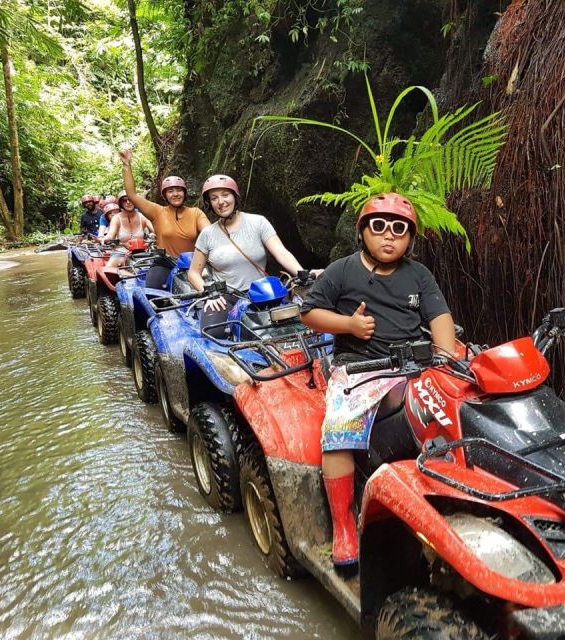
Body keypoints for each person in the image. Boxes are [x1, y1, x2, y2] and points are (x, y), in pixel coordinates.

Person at [300, 193, 456, 569]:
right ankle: (344, 526)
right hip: (360, 369)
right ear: (363, 232)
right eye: (379, 227)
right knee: (339, 432)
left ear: (410, 239)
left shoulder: (419, 275)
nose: (389, 236)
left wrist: (447, 360)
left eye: (399, 229)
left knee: (452, 415)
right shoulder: (343, 270)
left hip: (414, 365)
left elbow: (440, 317)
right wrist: (348, 325)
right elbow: (309, 312)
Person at [187, 174, 318, 336]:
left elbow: (281, 252)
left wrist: (301, 272)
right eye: (214, 198)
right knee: (211, 333)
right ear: (209, 203)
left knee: (298, 328)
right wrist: (209, 293)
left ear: (235, 196)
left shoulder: (258, 222)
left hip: (265, 294)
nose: (221, 202)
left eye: (225, 195)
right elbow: (193, 272)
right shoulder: (207, 234)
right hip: (226, 297)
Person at [118, 149, 210, 289]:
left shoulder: (196, 213)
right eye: (170, 191)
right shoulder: (157, 212)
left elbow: (209, 233)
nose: (175, 194)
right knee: (151, 293)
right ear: (165, 195)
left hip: (193, 263)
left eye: (179, 190)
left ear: (184, 193)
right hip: (165, 263)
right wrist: (126, 164)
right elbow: (132, 194)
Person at [101, 190, 154, 266]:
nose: (128, 202)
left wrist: (153, 234)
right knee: (108, 269)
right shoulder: (116, 218)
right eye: (125, 200)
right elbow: (110, 235)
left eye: (131, 199)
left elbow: (156, 230)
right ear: (121, 203)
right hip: (121, 252)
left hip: (141, 253)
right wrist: (103, 238)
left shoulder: (142, 216)